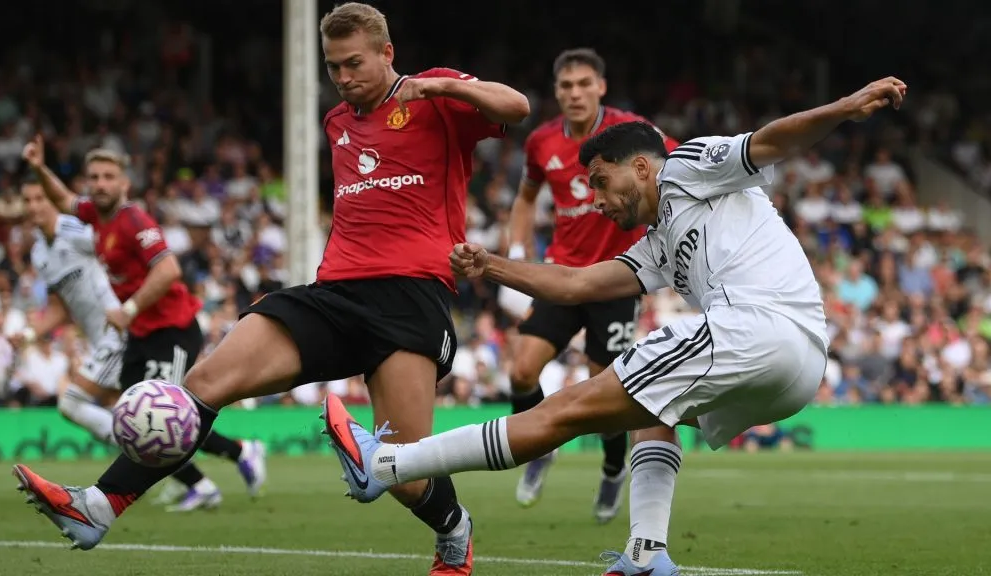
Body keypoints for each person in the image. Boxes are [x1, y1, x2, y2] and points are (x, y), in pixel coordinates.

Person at [11, 4, 528, 574]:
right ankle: (99, 507)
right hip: (333, 293)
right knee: (203, 383)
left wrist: (436, 89)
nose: (344, 77)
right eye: (333, 68)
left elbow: (517, 107)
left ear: (387, 53)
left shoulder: (439, 97)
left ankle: (454, 530)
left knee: (406, 475)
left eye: (354, 63)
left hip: (410, 298)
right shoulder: (337, 122)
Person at [323, 77, 906, 575]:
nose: (594, 199)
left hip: (757, 328)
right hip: (799, 364)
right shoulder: (658, 245)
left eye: (600, 182)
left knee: (563, 411)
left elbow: (770, 142)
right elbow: (578, 285)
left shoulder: (685, 167)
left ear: (643, 167)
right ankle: (647, 552)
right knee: (654, 417)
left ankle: (387, 465)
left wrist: (845, 108)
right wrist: (492, 265)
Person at [13, 137, 267, 525]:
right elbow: (64, 199)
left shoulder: (135, 221)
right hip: (141, 334)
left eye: (108, 177)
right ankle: (224, 461)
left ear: (124, 184)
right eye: (94, 177)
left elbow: (169, 270)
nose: (99, 183)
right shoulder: (95, 217)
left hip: (173, 328)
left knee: (170, 415)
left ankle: (224, 465)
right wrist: (38, 169)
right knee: (132, 417)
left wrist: (127, 309)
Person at [506, 47, 679, 519]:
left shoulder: (632, 132)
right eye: (566, 86)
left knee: (603, 392)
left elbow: (677, 167)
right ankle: (541, 448)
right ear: (556, 92)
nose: (575, 93)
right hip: (563, 273)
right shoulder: (541, 142)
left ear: (601, 87)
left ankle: (611, 469)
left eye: (584, 84)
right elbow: (525, 199)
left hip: (614, 279)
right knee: (521, 370)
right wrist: (518, 252)